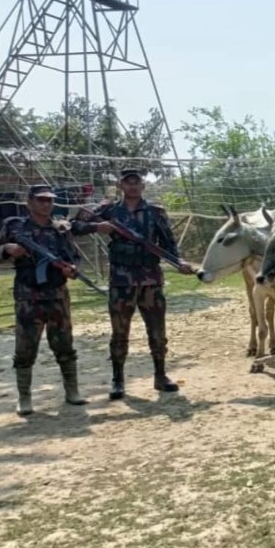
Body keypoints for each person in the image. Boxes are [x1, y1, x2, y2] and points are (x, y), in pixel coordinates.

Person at [70, 167, 194, 400]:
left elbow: (168, 244)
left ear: (143, 186)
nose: (133, 186)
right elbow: (74, 226)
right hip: (121, 281)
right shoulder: (107, 210)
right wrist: (97, 227)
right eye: (128, 183)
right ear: (121, 186)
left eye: (137, 183)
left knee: (157, 331)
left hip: (150, 281)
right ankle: (118, 380)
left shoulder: (156, 212)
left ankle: (160, 375)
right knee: (119, 333)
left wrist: (180, 262)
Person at [0, 184, 88, 415]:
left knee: (64, 344)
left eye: (49, 200)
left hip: (57, 295)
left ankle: (72, 391)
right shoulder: (15, 225)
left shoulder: (61, 229)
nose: (46, 204)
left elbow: (73, 257)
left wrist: (71, 269)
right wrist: (8, 248)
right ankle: (24, 398)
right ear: (30, 202)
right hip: (28, 296)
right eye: (41, 200)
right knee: (25, 348)